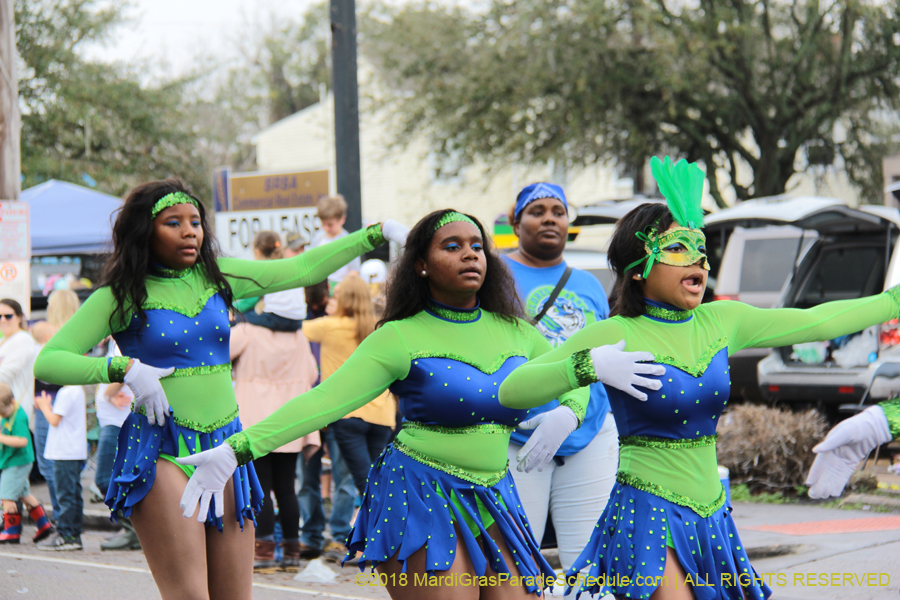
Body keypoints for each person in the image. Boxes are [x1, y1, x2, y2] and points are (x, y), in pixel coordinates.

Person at [178, 209, 652, 599]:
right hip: (421, 495)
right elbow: (323, 401)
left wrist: (568, 412)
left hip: (495, 495)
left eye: (477, 245)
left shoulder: (519, 332)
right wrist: (235, 450)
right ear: (420, 264)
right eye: (452, 246)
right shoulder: (399, 337)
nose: (470, 253)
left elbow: (572, 372)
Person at [499, 156, 900, 600]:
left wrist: (892, 301)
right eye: (678, 249)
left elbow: (818, 322)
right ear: (639, 266)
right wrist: (587, 367)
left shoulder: (721, 319)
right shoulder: (616, 332)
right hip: (647, 513)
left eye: (701, 251)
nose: (699, 261)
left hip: (713, 516)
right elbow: (512, 389)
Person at [32, 179, 408, 599]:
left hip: (227, 444)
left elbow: (302, 270)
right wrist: (125, 367)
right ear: (145, 230)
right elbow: (49, 359)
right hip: (162, 450)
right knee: (191, 596)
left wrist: (376, 232)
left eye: (195, 221)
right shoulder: (120, 295)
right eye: (173, 222)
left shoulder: (219, 276)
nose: (190, 231)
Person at [502, 182, 617, 571]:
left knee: (588, 566)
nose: (550, 218)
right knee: (517, 566)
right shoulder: (494, 275)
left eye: (558, 211)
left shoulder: (589, 284)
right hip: (520, 435)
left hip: (589, 435)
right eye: (537, 211)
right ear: (515, 222)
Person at [230, 316, 320, 572]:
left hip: (255, 417)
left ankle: (264, 552)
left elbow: (219, 354)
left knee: (261, 486)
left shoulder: (248, 331)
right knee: (286, 488)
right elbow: (312, 373)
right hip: (290, 419)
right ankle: (292, 551)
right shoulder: (299, 336)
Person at [302, 276, 397, 506]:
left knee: (366, 485)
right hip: (382, 414)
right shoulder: (380, 326)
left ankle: (383, 535)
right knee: (377, 481)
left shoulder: (330, 326)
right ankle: (381, 535)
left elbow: (290, 324)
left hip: (348, 413)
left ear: (341, 299)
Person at [295, 279, 358, 561]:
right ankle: (312, 537)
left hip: (337, 409)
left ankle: (339, 536)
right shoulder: (300, 322)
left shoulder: (339, 323)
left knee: (340, 478)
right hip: (311, 406)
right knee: (308, 476)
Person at [31, 289, 82, 524]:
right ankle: (66, 519)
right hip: (67, 399)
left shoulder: (49, 332)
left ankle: (63, 520)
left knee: (50, 463)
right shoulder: (79, 334)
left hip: (49, 400)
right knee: (62, 465)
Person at [94, 339, 140, 551]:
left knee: (105, 478)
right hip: (113, 420)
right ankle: (133, 531)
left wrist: (107, 394)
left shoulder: (122, 341)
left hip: (117, 422)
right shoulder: (116, 341)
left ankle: (134, 531)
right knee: (114, 478)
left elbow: (126, 369)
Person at [34, 383, 86, 551]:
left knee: (66, 495)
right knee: (73, 494)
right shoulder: (76, 389)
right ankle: (73, 534)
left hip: (65, 451)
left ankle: (67, 535)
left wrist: (43, 406)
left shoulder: (67, 391)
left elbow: (54, 420)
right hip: (72, 450)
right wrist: (48, 406)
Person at [0, 382, 54, 544]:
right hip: (14, 461)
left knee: (6, 496)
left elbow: (23, 440)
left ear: (12, 402)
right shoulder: (8, 413)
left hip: (17, 462)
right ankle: (43, 524)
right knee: (24, 494)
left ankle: (11, 530)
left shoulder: (19, 416)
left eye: (3, 412)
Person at [237, 231, 307, 332]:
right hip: (298, 320)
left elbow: (249, 300)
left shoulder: (263, 269)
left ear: (257, 251)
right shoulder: (290, 265)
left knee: (235, 319)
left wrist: (231, 309)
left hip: (277, 318)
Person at [0, 299, 38, 431]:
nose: (3, 320)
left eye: (8, 316)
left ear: (19, 317)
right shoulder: (3, 341)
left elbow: (5, 374)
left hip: (16, 411)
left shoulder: (23, 339)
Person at [313, 195, 361, 291]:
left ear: (342, 219)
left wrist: (341, 287)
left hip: (343, 289)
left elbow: (355, 271)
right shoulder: (318, 239)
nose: (326, 228)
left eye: (330, 225)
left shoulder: (349, 241)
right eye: (323, 224)